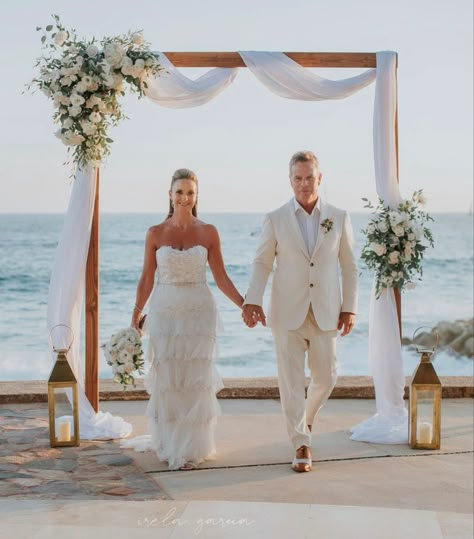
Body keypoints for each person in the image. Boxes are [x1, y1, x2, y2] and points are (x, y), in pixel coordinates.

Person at [242, 151, 358, 473]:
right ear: (290, 180)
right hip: (286, 311)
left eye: (309, 177)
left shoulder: (339, 216)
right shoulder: (275, 218)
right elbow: (263, 262)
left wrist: (350, 308)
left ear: (320, 178)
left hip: (325, 311)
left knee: (327, 376)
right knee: (291, 383)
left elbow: (349, 267)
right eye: (298, 178)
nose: (304, 184)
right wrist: (252, 300)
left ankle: (304, 421)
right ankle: (301, 445)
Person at [129, 168, 244, 470]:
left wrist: (244, 304)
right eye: (179, 192)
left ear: (196, 196)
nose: (184, 198)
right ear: (169, 195)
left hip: (198, 313)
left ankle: (192, 447)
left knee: (194, 381)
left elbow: (220, 277)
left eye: (190, 192)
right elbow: (146, 277)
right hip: (164, 312)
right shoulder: (155, 233)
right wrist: (136, 311)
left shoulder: (208, 232)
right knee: (169, 379)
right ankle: (169, 442)